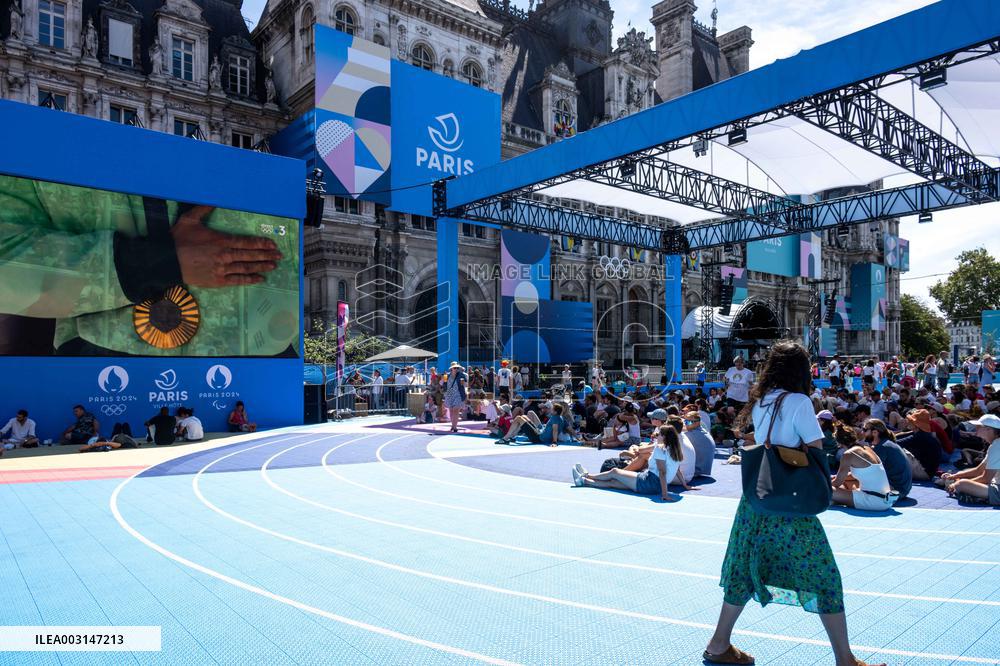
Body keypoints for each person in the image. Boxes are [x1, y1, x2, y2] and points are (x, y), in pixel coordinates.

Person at [704, 341, 881, 666]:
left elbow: (764, 441)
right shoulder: (799, 401)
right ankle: (845, 659)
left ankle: (718, 644)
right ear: (801, 370)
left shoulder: (761, 400)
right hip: (790, 502)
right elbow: (815, 448)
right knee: (823, 573)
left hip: (757, 498)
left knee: (744, 569)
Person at [572, 425, 696, 501]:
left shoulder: (660, 448)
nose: (656, 435)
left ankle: (587, 476)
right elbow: (677, 470)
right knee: (614, 483)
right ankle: (584, 481)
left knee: (615, 472)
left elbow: (662, 472)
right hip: (652, 483)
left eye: (658, 434)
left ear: (664, 437)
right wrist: (685, 485)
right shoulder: (675, 450)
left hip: (649, 482)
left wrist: (665, 495)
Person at [830, 425, 898, 512]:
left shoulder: (848, 454)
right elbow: (866, 473)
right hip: (886, 501)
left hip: (873, 501)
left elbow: (837, 483)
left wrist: (826, 482)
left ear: (839, 443)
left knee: (826, 489)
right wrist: (835, 477)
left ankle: (834, 500)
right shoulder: (867, 449)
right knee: (847, 484)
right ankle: (837, 500)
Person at [941, 414, 1000, 505]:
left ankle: (972, 495)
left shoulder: (997, 446)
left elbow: (986, 478)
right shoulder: (995, 444)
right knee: (964, 474)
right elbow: (978, 470)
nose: (976, 432)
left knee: (962, 484)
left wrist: (957, 483)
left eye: (978, 428)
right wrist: (955, 476)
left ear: (989, 429)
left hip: (998, 490)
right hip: (995, 483)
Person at [865, 418, 912, 499]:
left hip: (896, 490)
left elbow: (868, 472)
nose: (862, 432)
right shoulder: (886, 443)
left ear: (875, 432)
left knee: (853, 484)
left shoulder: (882, 447)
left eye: (865, 429)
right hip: (903, 489)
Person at [896, 409, 941, 481]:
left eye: (911, 421)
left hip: (924, 473)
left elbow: (896, 443)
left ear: (916, 424)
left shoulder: (920, 436)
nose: (908, 422)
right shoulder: (922, 433)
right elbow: (900, 436)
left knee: (894, 450)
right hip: (928, 472)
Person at [683, 411, 716, 477]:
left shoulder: (691, 435)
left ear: (697, 422)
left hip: (696, 471)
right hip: (704, 469)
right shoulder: (703, 431)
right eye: (685, 421)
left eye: (689, 422)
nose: (686, 424)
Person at [443, 362, 467, 433]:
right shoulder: (446, 376)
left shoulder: (461, 375)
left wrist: (463, 382)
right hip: (449, 394)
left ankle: (454, 427)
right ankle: (452, 425)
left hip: (458, 394)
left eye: (457, 368)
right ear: (451, 369)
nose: (456, 369)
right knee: (451, 411)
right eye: (455, 368)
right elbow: (443, 384)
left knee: (456, 410)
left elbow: (464, 385)